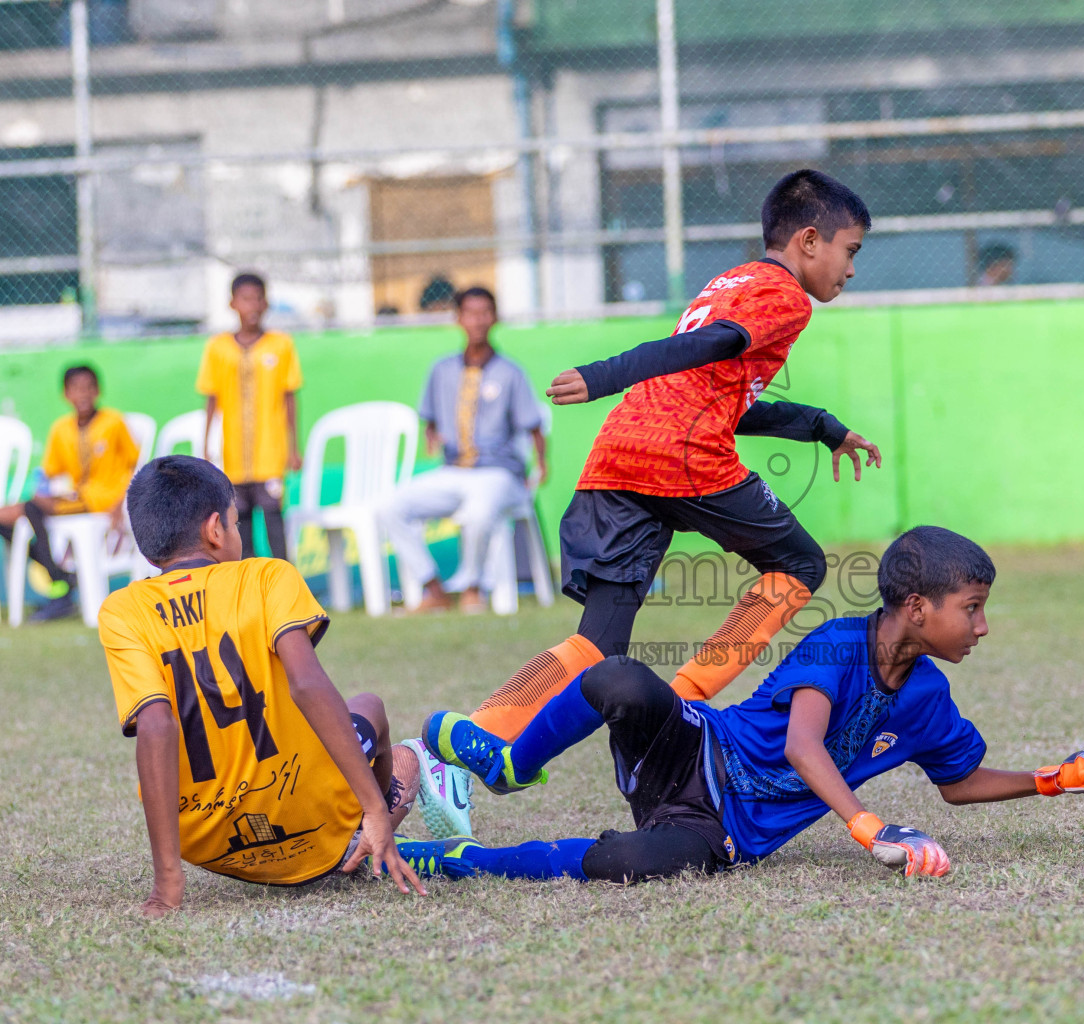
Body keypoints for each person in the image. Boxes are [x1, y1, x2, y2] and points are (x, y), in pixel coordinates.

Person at [406, 526, 1084, 884]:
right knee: (622, 677)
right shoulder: (834, 642)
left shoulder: (929, 695)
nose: (984, 626)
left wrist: (1055, 778)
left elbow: (959, 782)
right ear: (918, 608)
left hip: (720, 829)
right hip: (694, 749)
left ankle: (460, 861)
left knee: (627, 865)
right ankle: (507, 760)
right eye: (975, 608)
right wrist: (868, 827)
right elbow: (804, 745)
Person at [450, 168, 886, 752]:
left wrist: (822, 428)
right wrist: (606, 373)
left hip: (620, 451)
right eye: (850, 251)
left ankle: (471, 736)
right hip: (683, 455)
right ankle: (685, 703)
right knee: (802, 564)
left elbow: (717, 392)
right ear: (810, 240)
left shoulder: (729, 280)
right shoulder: (786, 297)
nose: (852, 269)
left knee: (598, 646)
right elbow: (707, 349)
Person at [96, 455, 432, 917]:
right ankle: (373, 820)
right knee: (373, 711)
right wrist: (375, 808)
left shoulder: (121, 610)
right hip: (309, 817)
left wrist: (166, 886)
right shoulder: (267, 575)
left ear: (150, 550)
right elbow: (307, 684)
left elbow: (155, 726)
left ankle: (359, 826)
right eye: (236, 523)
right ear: (217, 529)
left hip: (207, 839)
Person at [378, 286, 548, 616]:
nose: (478, 320)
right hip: (454, 469)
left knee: (479, 510)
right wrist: (432, 434)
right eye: (470, 313)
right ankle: (434, 589)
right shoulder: (442, 370)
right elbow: (429, 417)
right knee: (391, 506)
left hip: (499, 474)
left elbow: (534, 425)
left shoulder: (510, 372)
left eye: (485, 312)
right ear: (458, 318)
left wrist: (540, 466)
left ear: (495, 317)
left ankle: (473, 588)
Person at [0, 364, 139, 622]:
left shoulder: (114, 422)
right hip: (76, 499)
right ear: (65, 394)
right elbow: (48, 472)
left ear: (98, 391)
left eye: (88, 388)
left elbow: (134, 466)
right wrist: (42, 491)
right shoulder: (61, 428)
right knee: (14, 515)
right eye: (76, 389)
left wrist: (121, 503)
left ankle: (61, 584)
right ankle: (61, 577)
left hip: (103, 500)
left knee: (30, 509)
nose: (83, 394)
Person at [196, 272, 302, 563]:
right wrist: (207, 445)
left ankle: (285, 582)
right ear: (232, 304)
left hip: (270, 451)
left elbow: (289, 397)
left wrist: (294, 447)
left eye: (257, 298)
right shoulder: (218, 347)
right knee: (238, 522)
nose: (252, 306)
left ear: (266, 303)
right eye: (245, 299)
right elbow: (211, 398)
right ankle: (250, 589)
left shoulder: (280, 345)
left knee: (273, 517)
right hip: (231, 454)